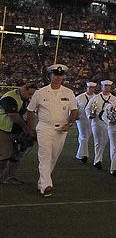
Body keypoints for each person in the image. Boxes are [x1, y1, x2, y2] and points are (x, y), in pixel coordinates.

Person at [26, 64, 78, 197]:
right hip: (44, 128)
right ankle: (47, 186)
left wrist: (70, 123)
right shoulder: (40, 92)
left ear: (63, 77)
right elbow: (30, 110)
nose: (58, 77)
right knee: (45, 156)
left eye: (60, 75)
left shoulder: (68, 92)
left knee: (54, 157)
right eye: (55, 75)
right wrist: (30, 128)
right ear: (50, 76)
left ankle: (41, 183)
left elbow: (74, 111)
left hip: (61, 129)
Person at [0, 83, 37, 184]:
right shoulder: (9, 97)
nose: (30, 97)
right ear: (23, 89)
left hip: (16, 131)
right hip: (4, 130)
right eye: (29, 94)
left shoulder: (27, 99)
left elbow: (30, 114)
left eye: (32, 95)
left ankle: (9, 177)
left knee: (16, 156)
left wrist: (31, 129)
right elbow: (13, 115)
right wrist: (27, 128)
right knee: (4, 156)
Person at [87, 80, 116, 170]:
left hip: (108, 124)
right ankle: (97, 160)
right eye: (105, 86)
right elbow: (88, 108)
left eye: (109, 86)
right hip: (97, 122)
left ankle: (108, 161)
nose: (107, 87)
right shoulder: (96, 98)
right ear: (102, 87)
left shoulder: (114, 99)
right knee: (98, 141)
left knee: (105, 142)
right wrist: (90, 115)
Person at [74, 81, 96, 163]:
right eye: (90, 87)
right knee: (84, 137)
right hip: (81, 119)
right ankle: (84, 155)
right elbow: (74, 107)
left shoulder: (96, 97)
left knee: (84, 137)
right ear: (86, 88)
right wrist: (74, 116)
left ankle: (80, 155)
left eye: (93, 88)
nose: (91, 89)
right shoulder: (79, 97)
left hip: (92, 120)